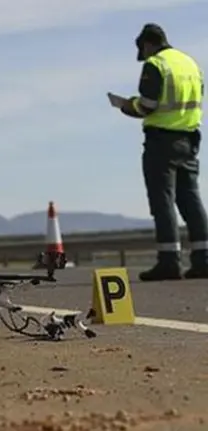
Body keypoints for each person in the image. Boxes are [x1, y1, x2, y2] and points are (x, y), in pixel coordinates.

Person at [115, 23, 208, 281]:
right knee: (191, 199)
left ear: (146, 44)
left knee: (163, 200)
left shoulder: (156, 64)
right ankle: (203, 260)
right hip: (189, 139)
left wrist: (125, 105)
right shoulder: (190, 64)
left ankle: (169, 262)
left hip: (161, 141)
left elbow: (147, 106)